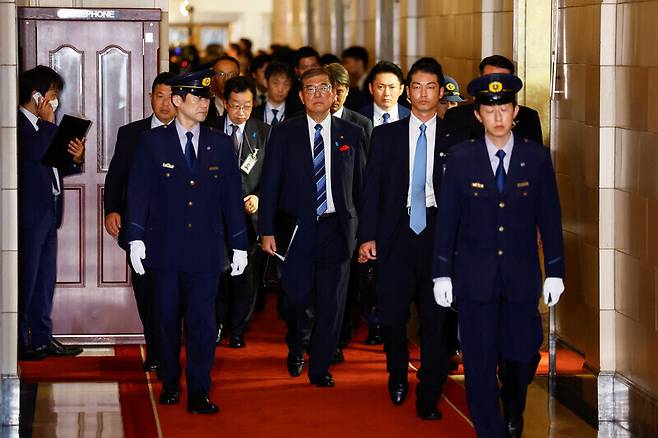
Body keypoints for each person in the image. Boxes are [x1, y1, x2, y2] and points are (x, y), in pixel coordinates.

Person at [432, 73, 565, 437]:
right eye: (490, 111)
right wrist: (441, 273)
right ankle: (490, 430)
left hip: (521, 280)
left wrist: (555, 270)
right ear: (478, 115)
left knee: (522, 356)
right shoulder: (461, 159)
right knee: (478, 363)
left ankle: (515, 405)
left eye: (504, 109)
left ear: (515, 111)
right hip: (475, 279)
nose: (497, 117)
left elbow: (550, 218)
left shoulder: (535, 158)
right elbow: (448, 221)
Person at [125, 69, 248, 414]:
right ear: (177, 101)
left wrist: (239, 244)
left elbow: (230, 197)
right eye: (196, 97)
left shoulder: (221, 144)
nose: (204, 104)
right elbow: (139, 193)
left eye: (207, 98)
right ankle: (169, 380)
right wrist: (135, 238)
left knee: (203, 323)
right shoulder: (153, 143)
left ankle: (199, 388)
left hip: (206, 252)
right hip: (163, 249)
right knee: (164, 319)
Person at [259, 67, 366, 387]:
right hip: (297, 230)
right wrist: (266, 230)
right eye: (311, 89)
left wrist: (366, 235)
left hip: (338, 230)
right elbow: (270, 185)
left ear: (335, 94)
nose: (318, 94)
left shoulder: (352, 133)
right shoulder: (284, 133)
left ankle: (320, 365)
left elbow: (362, 189)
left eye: (324, 88)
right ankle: (296, 347)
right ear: (301, 96)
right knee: (296, 299)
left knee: (333, 303)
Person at [358, 58, 451, 420]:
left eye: (431, 87)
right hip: (396, 233)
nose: (424, 93)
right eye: (417, 86)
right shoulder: (386, 135)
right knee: (393, 316)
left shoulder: (455, 139)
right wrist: (367, 236)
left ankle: (429, 392)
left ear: (440, 92)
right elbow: (372, 191)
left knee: (435, 318)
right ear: (407, 92)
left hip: (437, 234)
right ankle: (397, 373)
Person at [104, 71, 177, 372]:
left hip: (178, 230)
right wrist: (112, 209)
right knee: (146, 291)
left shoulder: (193, 133)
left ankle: (168, 349)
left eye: (171, 97)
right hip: (140, 229)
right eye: (158, 96)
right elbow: (116, 177)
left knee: (173, 293)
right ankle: (157, 350)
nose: (164, 104)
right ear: (150, 97)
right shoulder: (131, 133)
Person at [17, 65, 86, 361]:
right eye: (53, 95)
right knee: (25, 280)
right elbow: (32, 154)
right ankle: (20, 340)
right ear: (36, 95)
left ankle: (43, 338)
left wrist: (75, 158)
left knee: (45, 281)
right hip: (28, 216)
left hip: (49, 212)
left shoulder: (45, 126)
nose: (56, 101)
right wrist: (48, 124)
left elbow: (55, 165)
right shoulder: (18, 123)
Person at [215, 76, 271, 348]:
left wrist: (259, 197)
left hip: (249, 217)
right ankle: (217, 324)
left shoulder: (264, 132)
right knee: (217, 273)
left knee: (246, 275)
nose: (240, 112)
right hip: (215, 216)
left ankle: (238, 328)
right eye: (235, 106)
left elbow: (273, 177)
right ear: (225, 104)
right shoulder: (210, 129)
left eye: (246, 106)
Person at [324, 62, 375, 361]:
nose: (336, 97)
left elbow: (364, 177)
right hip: (318, 216)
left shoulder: (359, 125)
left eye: (342, 91)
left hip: (348, 219)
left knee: (345, 285)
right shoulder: (303, 122)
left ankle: (339, 338)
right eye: (332, 91)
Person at [443, 55, 543, 146]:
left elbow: (536, 159)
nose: (496, 84)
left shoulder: (529, 117)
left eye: (503, 80)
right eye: (490, 79)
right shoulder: (456, 117)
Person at [358, 61, 410, 126]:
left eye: (392, 87)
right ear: (371, 88)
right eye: (380, 87)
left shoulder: (411, 116)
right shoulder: (358, 118)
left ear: (401, 89)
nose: (386, 93)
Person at [251, 61, 294, 125]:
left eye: (286, 84)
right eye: (275, 83)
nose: (280, 89)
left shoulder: (296, 115)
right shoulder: (253, 114)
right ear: (266, 82)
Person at [204, 55, 240, 127]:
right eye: (221, 74)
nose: (226, 80)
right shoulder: (204, 109)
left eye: (231, 75)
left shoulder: (247, 111)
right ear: (213, 78)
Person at [340, 45, 369, 110]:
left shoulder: (369, 83)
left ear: (359, 62)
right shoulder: (354, 84)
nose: (344, 66)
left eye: (346, 62)